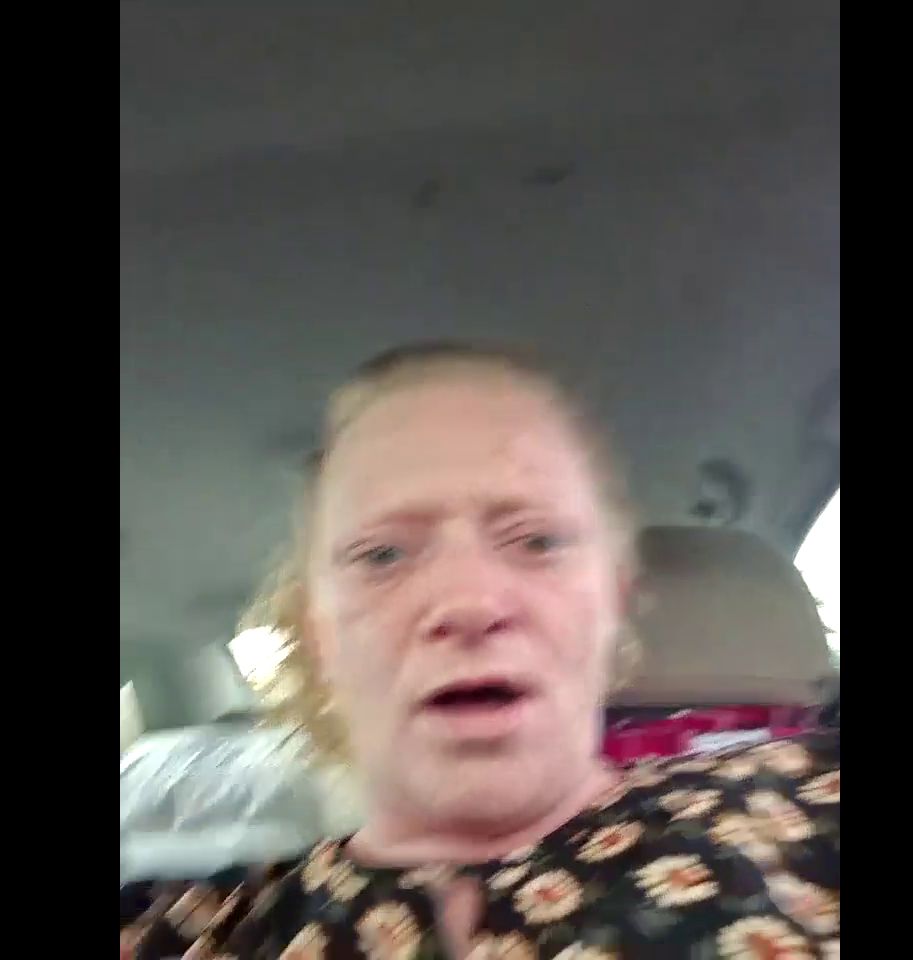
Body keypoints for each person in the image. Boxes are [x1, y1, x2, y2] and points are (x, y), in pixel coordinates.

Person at [120, 342, 840, 959]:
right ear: (318, 636)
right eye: (383, 555)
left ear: (614, 603)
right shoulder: (190, 930)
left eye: (538, 541)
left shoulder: (812, 804)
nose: (468, 602)